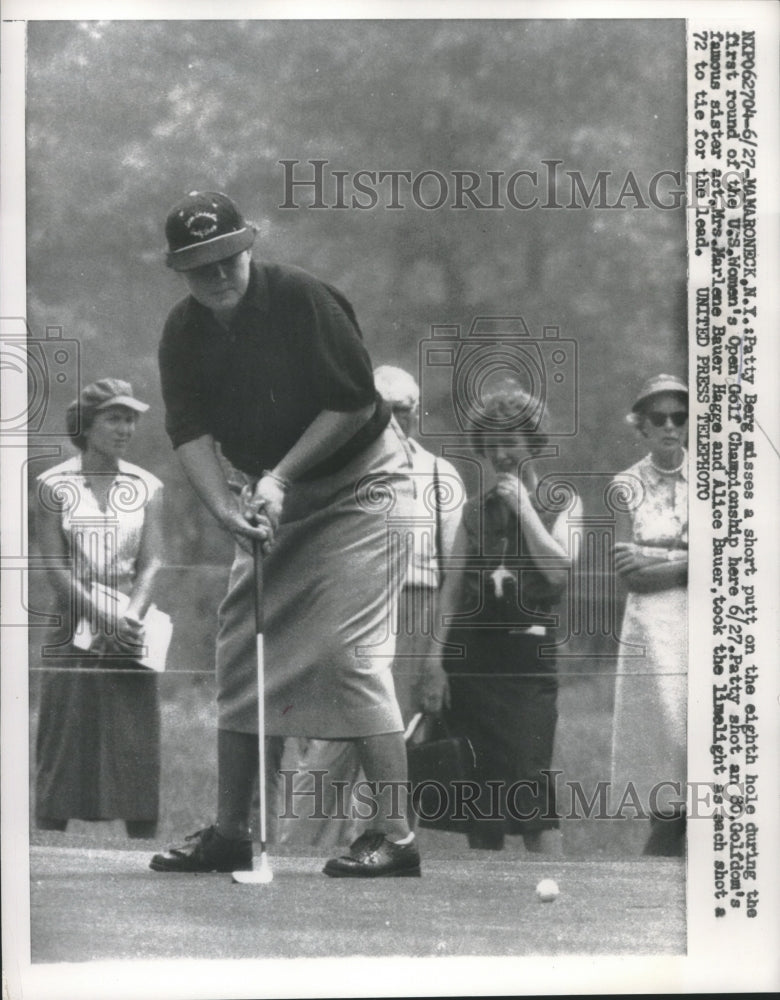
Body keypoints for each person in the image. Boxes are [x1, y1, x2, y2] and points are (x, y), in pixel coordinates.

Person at [149, 190, 419, 877]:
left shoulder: (302, 299)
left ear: (248, 247)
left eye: (225, 257)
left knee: (346, 652)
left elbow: (356, 399)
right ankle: (233, 833)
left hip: (363, 484)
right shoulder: (183, 332)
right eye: (198, 265)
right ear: (180, 271)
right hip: (275, 494)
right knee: (241, 647)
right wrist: (223, 509)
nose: (216, 275)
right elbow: (190, 432)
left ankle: (397, 839)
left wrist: (279, 478)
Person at [276, 365, 464, 847]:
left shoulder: (442, 476)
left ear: (417, 413)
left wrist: (436, 658)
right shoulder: (340, 469)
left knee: (394, 742)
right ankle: (298, 849)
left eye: (405, 412)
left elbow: (453, 576)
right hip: (351, 607)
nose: (397, 423)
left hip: (416, 610)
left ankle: (383, 846)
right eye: (386, 412)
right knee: (331, 741)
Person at [439, 381, 581, 853]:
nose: (500, 453)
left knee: (531, 786)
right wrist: (433, 662)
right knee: (481, 799)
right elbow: (452, 592)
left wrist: (523, 508)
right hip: (473, 663)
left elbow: (559, 573)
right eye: (492, 444)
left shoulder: (562, 503)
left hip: (527, 663)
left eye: (511, 442)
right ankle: (487, 918)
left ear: (532, 443)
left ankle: (554, 909)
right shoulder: (473, 512)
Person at [34, 379, 164, 838]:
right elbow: (53, 565)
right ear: (87, 425)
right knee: (65, 731)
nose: (125, 428)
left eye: (130, 419)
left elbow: (153, 562)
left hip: (131, 616)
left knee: (133, 736)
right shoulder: (53, 485)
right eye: (114, 418)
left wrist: (130, 615)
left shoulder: (146, 485)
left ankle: (141, 849)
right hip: (73, 618)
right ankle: (48, 846)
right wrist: (98, 613)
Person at [610, 374, 688, 856]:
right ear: (641, 426)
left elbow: (731, 560)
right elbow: (630, 574)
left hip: (704, 620)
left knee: (697, 729)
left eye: (679, 417)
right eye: (658, 418)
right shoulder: (625, 485)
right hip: (651, 625)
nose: (670, 426)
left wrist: (663, 562)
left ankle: (684, 841)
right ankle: (664, 837)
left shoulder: (716, 479)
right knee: (663, 732)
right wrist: (692, 561)